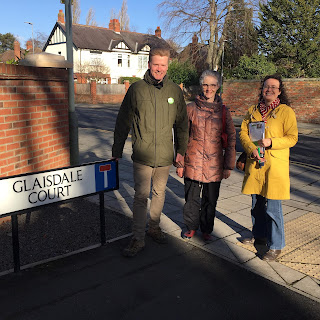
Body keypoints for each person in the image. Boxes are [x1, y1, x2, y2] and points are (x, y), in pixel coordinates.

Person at [112, 47, 189, 257]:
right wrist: (116, 149)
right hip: (143, 154)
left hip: (165, 155)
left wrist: (181, 151)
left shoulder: (174, 91)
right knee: (141, 196)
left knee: (159, 193)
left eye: (163, 65)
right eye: (156, 64)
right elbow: (123, 121)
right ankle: (138, 238)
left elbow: (182, 124)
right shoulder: (136, 89)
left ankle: (154, 227)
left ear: (167, 66)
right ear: (149, 64)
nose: (159, 68)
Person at [239, 74, 298, 262]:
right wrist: (251, 148)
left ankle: (276, 246)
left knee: (273, 208)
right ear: (261, 89)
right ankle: (260, 236)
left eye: (274, 87)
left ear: (279, 91)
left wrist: (271, 141)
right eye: (266, 86)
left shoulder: (285, 111)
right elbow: (243, 133)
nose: (269, 90)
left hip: (274, 167)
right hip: (256, 164)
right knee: (256, 206)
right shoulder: (252, 110)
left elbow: (292, 138)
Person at [176, 70, 236, 241]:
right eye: (205, 85)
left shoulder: (224, 111)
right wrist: (180, 163)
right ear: (201, 86)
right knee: (191, 199)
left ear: (218, 87)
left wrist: (228, 166)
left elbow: (231, 139)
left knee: (210, 201)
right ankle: (191, 227)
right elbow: (181, 137)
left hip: (215, 166)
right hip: (192, 162)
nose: (208, 88)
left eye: (212, 85)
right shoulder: (190, 109)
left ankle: (207, 229)